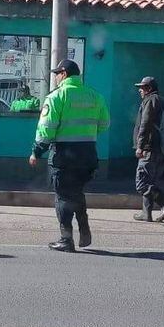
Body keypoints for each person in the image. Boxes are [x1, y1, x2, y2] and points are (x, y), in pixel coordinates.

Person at [29, 59, 110, 253]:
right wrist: (86, 134)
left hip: (64, 156)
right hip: (88, 155)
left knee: (63, 197)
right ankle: (84, 229)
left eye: (57, 74)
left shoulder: (56, 96)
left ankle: (66, 239)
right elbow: (104, 124)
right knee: (76, 192)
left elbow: (46, 129)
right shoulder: (95, 96)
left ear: (64, 74)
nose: (56, 77)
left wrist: (36, 152)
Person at [133, 76, 164, 223]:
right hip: (160, 149)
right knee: (150, 181)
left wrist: (140, 146)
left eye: (142, 87)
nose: (140, 90)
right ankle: (146, 213)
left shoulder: (151, 100)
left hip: (149, 149)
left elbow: (145, 124)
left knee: (142, 183)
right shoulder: (161, 101)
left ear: (149, 88)